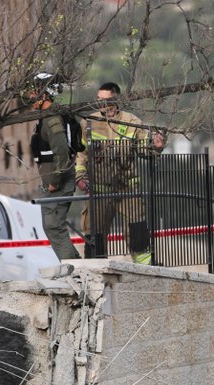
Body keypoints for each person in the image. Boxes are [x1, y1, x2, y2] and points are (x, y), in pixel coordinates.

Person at [74, 81, 165, 265]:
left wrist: (155, 147)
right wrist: (80, 177)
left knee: (138, 236)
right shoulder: (89, 123)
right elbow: (81, 154)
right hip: (99, 192)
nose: (102, 105)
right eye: (99, 100)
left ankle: (147, 273)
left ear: (117, 100)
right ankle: (96, 277)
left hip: (128, 190)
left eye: (106, 101)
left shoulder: (132, 122)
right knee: (95, 239)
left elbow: (143, 150)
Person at [27, 73, 80, 260]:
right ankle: (77, 268)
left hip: (56, 185)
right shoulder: (48, 117)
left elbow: (62, 152)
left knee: (54, 227)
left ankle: (74, 272)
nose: (29, 97)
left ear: (43, 94)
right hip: (53, 183)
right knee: (53, 227)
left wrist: (55, 181)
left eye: (32, 92)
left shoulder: (52, 119)